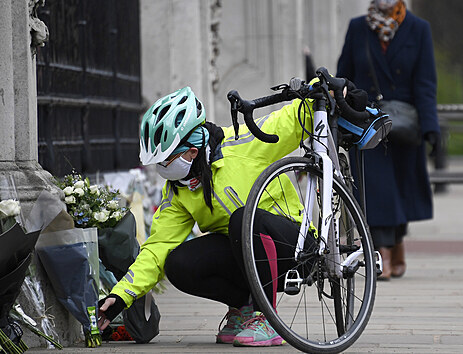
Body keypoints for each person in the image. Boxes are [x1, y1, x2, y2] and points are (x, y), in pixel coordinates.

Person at [95, 84, 374, 347]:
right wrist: (120, 297)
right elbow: (156, 249)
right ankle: (244, 308)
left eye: (164, 161)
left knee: (244, 217)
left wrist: (325, 87)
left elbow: (292, 118)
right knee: (177, 263)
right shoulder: (178, 192)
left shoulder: (243, 143)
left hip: (296, 248)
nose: (161, 169)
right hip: (245, 256)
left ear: (192, 152)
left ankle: (267, 320)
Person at [336, 0, 440, 280]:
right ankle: (379, 251)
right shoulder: (358, 28)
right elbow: (344, 77)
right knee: (376, 191)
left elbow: (426, 83)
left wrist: (431, 128)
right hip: (368, 122)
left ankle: (396, 243)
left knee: (401, 190)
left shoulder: (419, 29)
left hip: (404, 125)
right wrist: (340, 116)